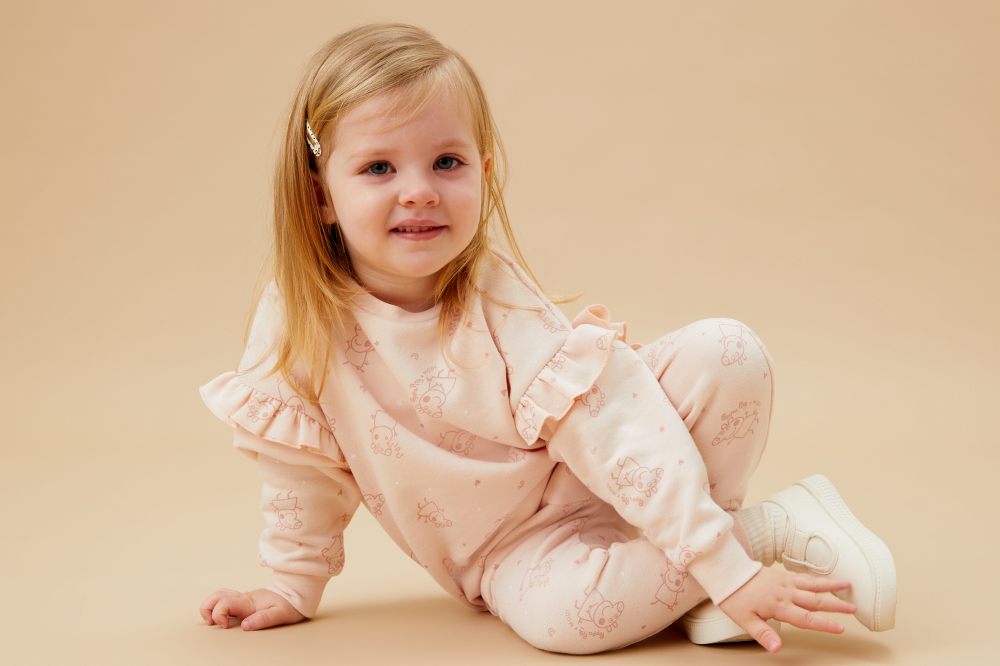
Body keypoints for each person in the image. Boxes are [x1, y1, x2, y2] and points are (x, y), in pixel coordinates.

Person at [197, 22, 896, 655]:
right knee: (567, 623)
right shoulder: (299, 316)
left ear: (484, 170)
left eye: (447, 162)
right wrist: (292, 586)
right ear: (321, 193)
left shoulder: (494, 295)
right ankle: (763, 533)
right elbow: (299, 470)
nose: (418, 191)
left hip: (605, 470)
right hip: (513, 552)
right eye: (379, 168)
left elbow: (613, 428)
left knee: (728, 353)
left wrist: (718, 561)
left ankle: (701, 573)